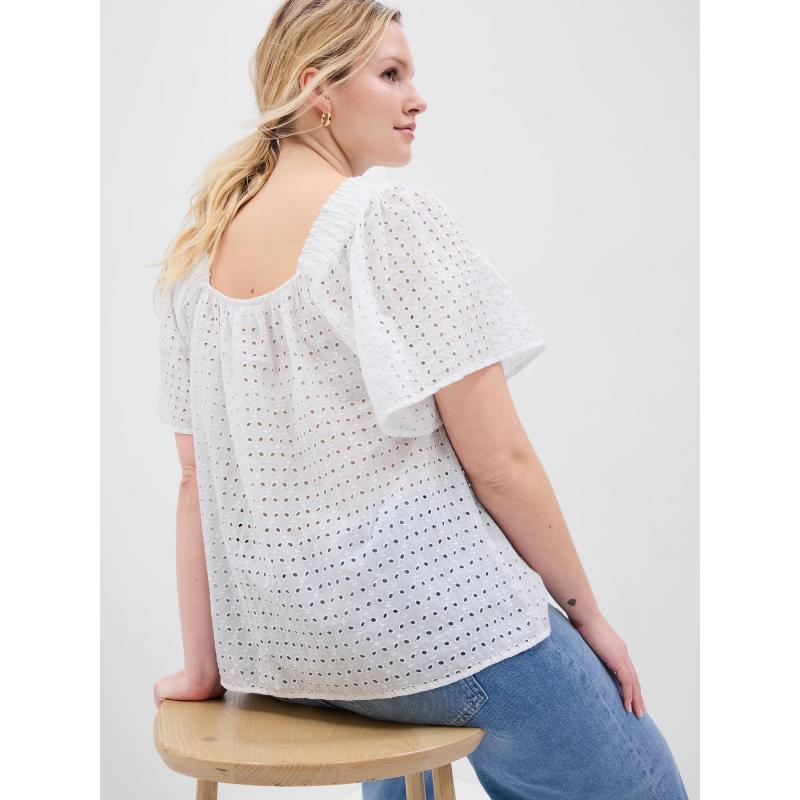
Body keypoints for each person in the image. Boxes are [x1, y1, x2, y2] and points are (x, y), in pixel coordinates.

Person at [151, 1, 690, 798]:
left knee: (408, 747)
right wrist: (588, 618)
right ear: (318, 91)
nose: (418, 98)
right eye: (391, 74)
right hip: (443, 630)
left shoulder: (196, 257)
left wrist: (205, 667)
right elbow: (500, 464)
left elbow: (195, 484)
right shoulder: (384, 219)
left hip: (290, 656)